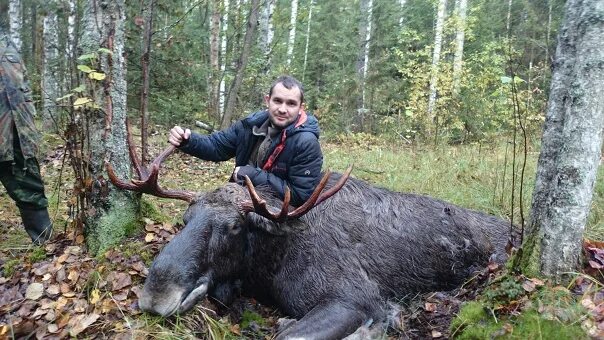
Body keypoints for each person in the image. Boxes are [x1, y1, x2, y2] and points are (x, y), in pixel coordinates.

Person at [169, 75, 323, 206]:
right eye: (278, 101)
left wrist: (252, 175)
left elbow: (300, 196)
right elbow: (216, 147)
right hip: (242, 201)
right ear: (267, 100)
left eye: (291, 103)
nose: (283, 109)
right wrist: (188, 141)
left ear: (301, 108)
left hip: (276, 214)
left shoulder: (306, 142)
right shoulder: (250, 126)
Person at [0, 31, 53, 244]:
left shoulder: (7, 42)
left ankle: (44, 244)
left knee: (30, 189)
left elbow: (23, 86)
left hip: (18, 134)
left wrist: (28, 121)